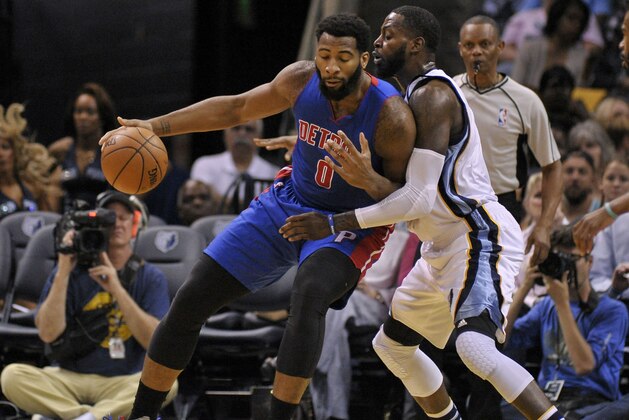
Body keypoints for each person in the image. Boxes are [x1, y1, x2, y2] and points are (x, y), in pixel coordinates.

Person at [100, 13, 416, 419]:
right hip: (289, 200)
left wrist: (366, 180)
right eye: (324, 55)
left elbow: (404, 199)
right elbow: (235, 109)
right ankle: (144, 414)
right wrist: (154, 128)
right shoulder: (301, 80)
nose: (332, 67)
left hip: (349, 221)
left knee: (309, 294)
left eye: (343, 57)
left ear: (364, 60)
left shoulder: (391, 115)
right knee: (193, 296)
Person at [280, 6, 564, 420]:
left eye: (388, 35)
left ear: (415, 45)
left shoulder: (432, 94)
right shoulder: (406, 100)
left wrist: (334, 222)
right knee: (391, 346)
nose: (378, 43)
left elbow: (417, 200)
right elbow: (406, 194)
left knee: (474, 350)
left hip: (476, 236)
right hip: (439, 246)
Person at [0, 192, 177, 419]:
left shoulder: (150, 276)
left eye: (124, 218)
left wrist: (117, 289)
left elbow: (154, 341)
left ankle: (83, 416)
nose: (117, 224)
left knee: (169, 385)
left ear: (134, 226)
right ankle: (87, 416)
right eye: (110, 218)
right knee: (12, 376)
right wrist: (63, 268)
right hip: (68, 377)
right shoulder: (71, 270)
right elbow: (47, 333)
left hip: (122, 381)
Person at [454, 14, 562, 265]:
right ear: (460, 50)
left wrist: (544, 225)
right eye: (469, 46)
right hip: (453, 202)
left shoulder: (525, 100)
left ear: (500, 47)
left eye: (485, 44)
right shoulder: (447, 92)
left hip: (501, 204)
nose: (476, 52)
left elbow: (553, 167)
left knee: (493, 288)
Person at [504, 224, 628, 418]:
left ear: (589, 262)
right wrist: (524, 287)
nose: (567, 268)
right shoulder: (546, 306)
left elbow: (584, 365)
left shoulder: (612, 310)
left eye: (572, 260)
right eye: (561, 260)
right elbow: (500, 340)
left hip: (592, 403)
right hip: (547, 401)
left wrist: (562, 303)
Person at [311, 225, 411, 420]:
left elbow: (408, 285)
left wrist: (376, 294)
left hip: (379, 304)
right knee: (336, 332)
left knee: (335, 308)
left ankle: (310, 361)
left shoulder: (405, 239)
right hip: (347, 298)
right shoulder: (352, 233)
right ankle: (335, 414)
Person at [48, 82, 117, 212]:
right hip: (67, 224)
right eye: (78, 111)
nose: (82, 117)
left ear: (102, 117)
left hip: (102, 225)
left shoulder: (113, 150)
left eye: (90, 112)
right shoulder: (60, 150)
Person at [190, 119, 280, 211]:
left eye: (249, 129)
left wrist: (218, 198)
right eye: (236, 128)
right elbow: (202, 200)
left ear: (260, 137)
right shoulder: (205, 165)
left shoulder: (273, 172)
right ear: (225, 134)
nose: (242, 133)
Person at [511, 0, 592, 91]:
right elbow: (515, 86)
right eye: (571, 18)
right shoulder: (530, 48)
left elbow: (578, 93)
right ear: (556, 17)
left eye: (580, 21)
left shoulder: (582, 56)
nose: (577, 25)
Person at [0, 103, 59, 218]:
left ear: (15, 151)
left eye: (5, 147)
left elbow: (47, 222)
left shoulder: (31, 187)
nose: (0, 153)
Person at [560, 149, 600, 223]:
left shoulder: (602, 212)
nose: (575, 177)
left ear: (593, 179)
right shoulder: (549, 214)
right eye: (569, 171)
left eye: (582, 172)